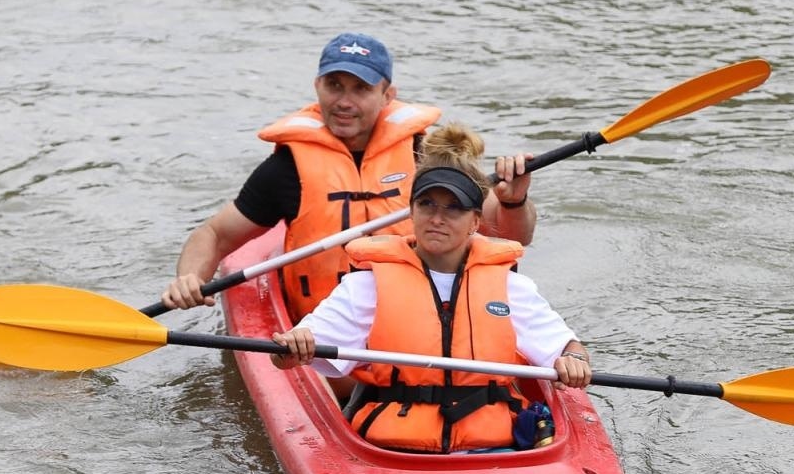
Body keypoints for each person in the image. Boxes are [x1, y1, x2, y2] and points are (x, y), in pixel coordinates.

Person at [163, 33, 537, 321]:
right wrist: (189, 279)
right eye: (335, 86)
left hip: (420, 319)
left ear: (388, 94)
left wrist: (514, 200)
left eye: (360, 88)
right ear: (317, 87)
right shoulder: (287, 168)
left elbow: (512, 235)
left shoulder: (428, 155)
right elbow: (215, 234)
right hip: (324, 328)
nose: (344, 101)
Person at [270, 124, 591, 454]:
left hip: (492, 450)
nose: (437, 218)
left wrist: (572, 360)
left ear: (475, 221)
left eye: (454, 208)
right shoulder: (367, 285)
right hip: (397, 450)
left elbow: (569, 348)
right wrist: (292, 347)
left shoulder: (510, 287)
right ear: (412, 211)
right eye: (427, 204)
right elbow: (291, 353)